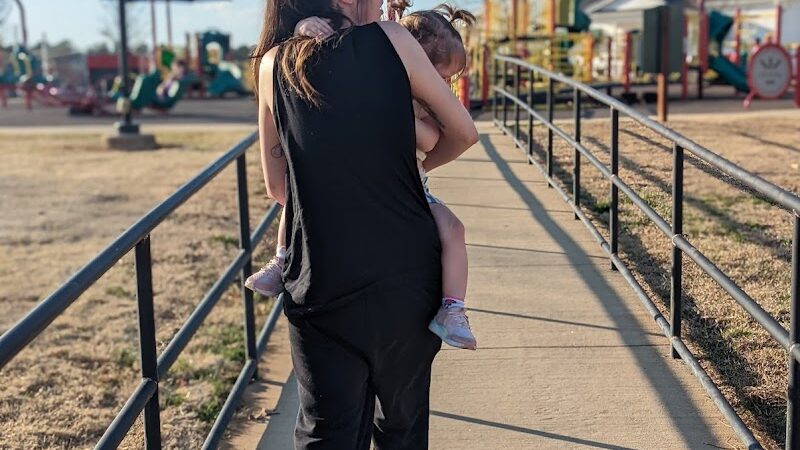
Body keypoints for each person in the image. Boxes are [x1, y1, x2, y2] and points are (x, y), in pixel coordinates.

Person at [251, 0, 478, 444]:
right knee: (400, 428)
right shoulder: (393, 43)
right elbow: (464, 133)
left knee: (327, 430)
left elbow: (279, 189)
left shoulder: (274, 63)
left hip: (320, 277)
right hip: (404, 276)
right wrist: (414, 173)